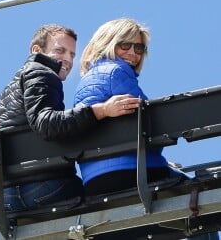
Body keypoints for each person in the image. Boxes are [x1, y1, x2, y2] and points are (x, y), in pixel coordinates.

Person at [74, 18, 219, 240]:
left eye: (139, 48)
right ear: (108, 43)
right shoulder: (117, 72)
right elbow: (148, 126)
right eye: (125, 45)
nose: (133, 53)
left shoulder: (84, 83)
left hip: (95, 179)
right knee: (202, 202)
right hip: (130, 173)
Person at [0, 24, 141, 212]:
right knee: (112, 199)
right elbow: (46, 123)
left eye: (72, 54)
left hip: (6, 197)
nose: (68, 59)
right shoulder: (42, 73)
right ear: (37, 50)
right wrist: (101, 110)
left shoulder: (10, 88)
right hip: (43, 186)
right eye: (60, 51)